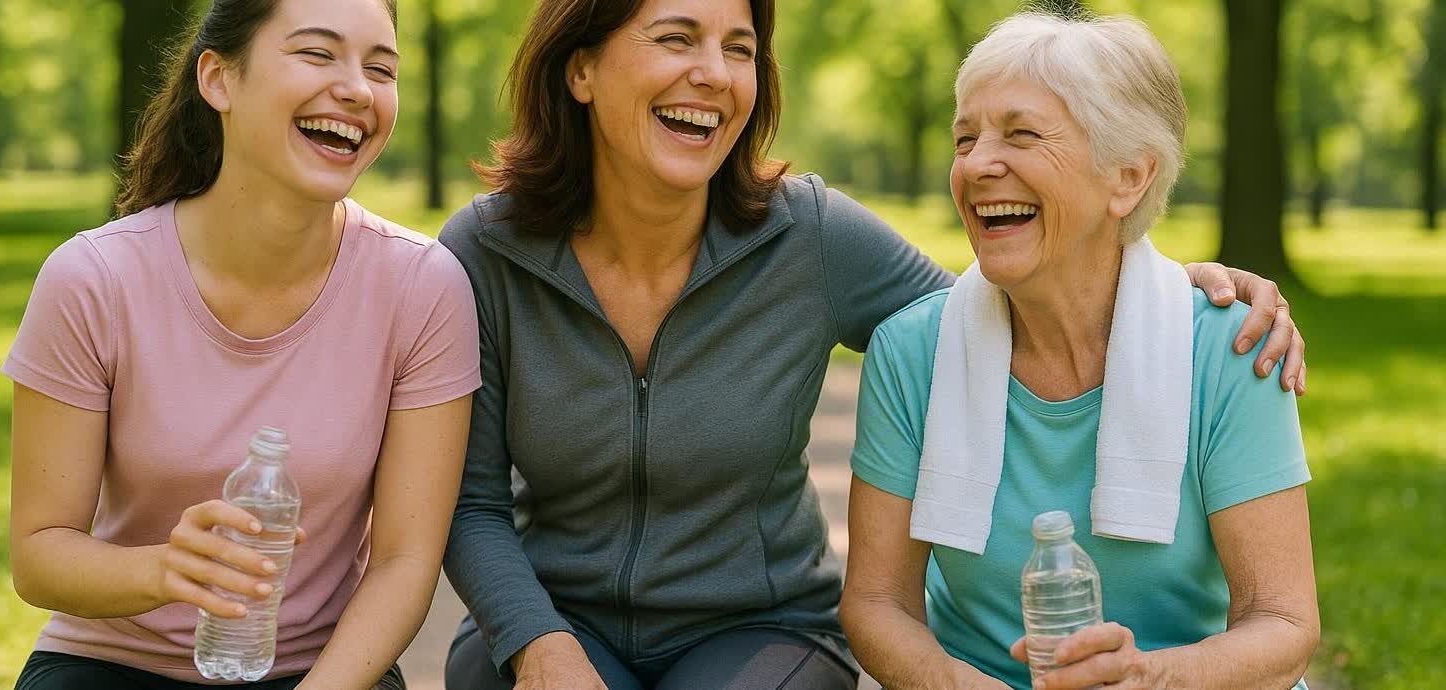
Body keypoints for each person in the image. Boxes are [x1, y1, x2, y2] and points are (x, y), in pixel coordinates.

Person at [438, 0, 1307, 688]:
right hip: (560, 613)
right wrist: (538, 643)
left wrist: (1167, 293)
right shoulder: (486, 253)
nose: (712, 73)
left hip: (755, 627)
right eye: (676, 37)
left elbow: (1008, 302)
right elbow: (469, 502)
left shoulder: (807, 238)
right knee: (494, 671)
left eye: (740, 47)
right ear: (580, 66)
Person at [5, 1, 480, 688]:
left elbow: (405, 562)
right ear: (219, 79)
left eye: (381, 68)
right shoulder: (93, 280)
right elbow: (39, 554)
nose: (356, 88)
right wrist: (164, 569)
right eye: (317, 54)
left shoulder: (422, 288)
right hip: (110, 664)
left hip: (321, 672)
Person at [840, 12, 1318, 690]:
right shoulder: (912, 351)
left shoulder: (1231, 347)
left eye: (1022, 134)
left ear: (1127, 177)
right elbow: (877, 603)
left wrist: (1146, 679)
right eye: (965, 138)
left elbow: (1284, 624)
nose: (977, 164)